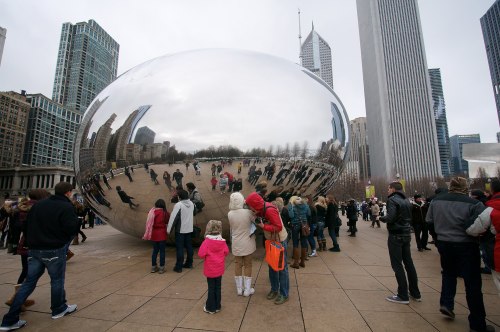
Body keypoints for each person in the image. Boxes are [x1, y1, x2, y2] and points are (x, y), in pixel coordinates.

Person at [0, 182, 80, 330]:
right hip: (54, 249)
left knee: (28, 283)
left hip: (35, 250)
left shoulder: (38, 205)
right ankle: (59, 309)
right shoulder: (66, 206)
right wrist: (64, 239)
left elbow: (25, 226)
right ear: (68, 193)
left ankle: (9, 320)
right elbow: (71, 228)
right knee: (57, 280)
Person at [427, 177, 494, 332]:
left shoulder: (436, 201)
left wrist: (437, 238)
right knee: (472, 283)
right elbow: (483, 224)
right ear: (465, 187)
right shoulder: (473, 203)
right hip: (467, 245)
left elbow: (429, 221)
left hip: (444, 243)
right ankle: (477, 324)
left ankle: (446, 303)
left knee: (448, 274)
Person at [4, 190, 50, 311]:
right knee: (31, 274)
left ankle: (19, 298)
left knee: (26, 271)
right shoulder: (39, 209)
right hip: (36, 244)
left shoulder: (21, 209)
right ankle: (16, 299)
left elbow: (18, 227)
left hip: (25, 244)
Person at [380, 181, 421, 305]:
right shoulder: (406, 200)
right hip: (406, 234)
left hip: (396, 235)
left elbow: (390, 217)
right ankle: (415, 293)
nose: (388, 191)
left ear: (393, 189)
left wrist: (381, 218)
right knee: (409, 264)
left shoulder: (392, 200)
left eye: (388, 188)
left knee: (397, 264)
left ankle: (403, 295)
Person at [245, 192, 289, 305]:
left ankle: (284, 293)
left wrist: (264, 226)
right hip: (271, 240)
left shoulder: (269, 210)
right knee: (272, 266)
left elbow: (278, 227)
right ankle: (274, 289)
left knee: (281, 268)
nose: (250, 208)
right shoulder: (261, 209)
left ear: (255, 204)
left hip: (279, 241)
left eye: (250, 206)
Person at [466, 178, 500, 297]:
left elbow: (474, 229)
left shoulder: (490, 209)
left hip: (497, 251)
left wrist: (466, 229)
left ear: (492, 190)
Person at [228, 192, 256, 296]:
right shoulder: (248, 212)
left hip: (236, 242)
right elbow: (256, 221)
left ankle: (239, 289)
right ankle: (247, 290)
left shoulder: (230, 214)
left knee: (237, 264)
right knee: (248, 265)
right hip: (248, 241)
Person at [198, 220, 229, 314]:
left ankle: (210, 307)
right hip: (219, 269)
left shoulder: (206, 242)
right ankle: (217, 306)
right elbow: (226, 252)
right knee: (218, 287)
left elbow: (201, 254)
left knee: (211, 288)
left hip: (210, 270)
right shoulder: (222, 242)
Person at [167, 189, 194, 273]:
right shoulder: (191, 203)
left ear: (179, 197)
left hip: (180, 230)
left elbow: (173, 218)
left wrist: (168, 230)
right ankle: (189, 263)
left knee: (180, 248)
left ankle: (178, 266)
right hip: (189, 229)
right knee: (189, 247)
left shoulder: (179, 205)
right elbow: (194, 213)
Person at [143, 199, 170, 274]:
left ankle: (153, 267)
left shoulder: (152, 212)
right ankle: (161, 268)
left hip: (154, 234)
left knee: (155, 251)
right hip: (162, 234)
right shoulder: (165, 213)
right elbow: (167, 221)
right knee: (162, 251)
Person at [287, 196, 311, 269]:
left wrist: (290, 207)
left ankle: (296, 263)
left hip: (295, 225)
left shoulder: (291, 205)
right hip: (304, 225)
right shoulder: (305, 205)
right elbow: (309, 214)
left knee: (295, 244)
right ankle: (302, 262)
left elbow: (291, 216)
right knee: (304, 243)